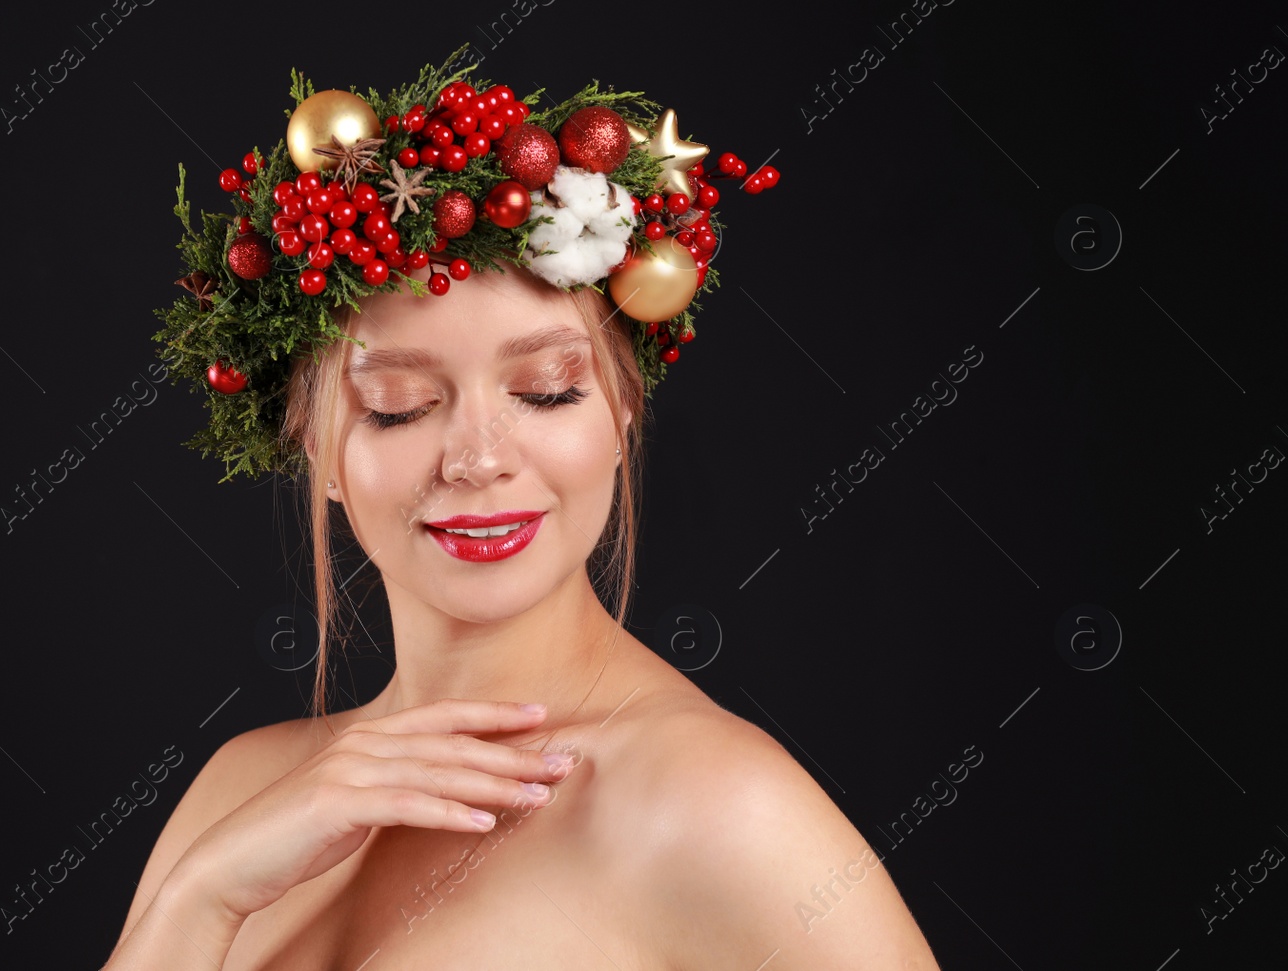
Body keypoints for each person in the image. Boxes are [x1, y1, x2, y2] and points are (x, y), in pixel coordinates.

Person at [111, 56, 939, 968]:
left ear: (623, 411)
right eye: (396, 405)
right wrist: (203, 895)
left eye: (547, 392)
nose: (479, 459)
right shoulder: (246, 788)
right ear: (318, 451)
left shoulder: (717, 807)